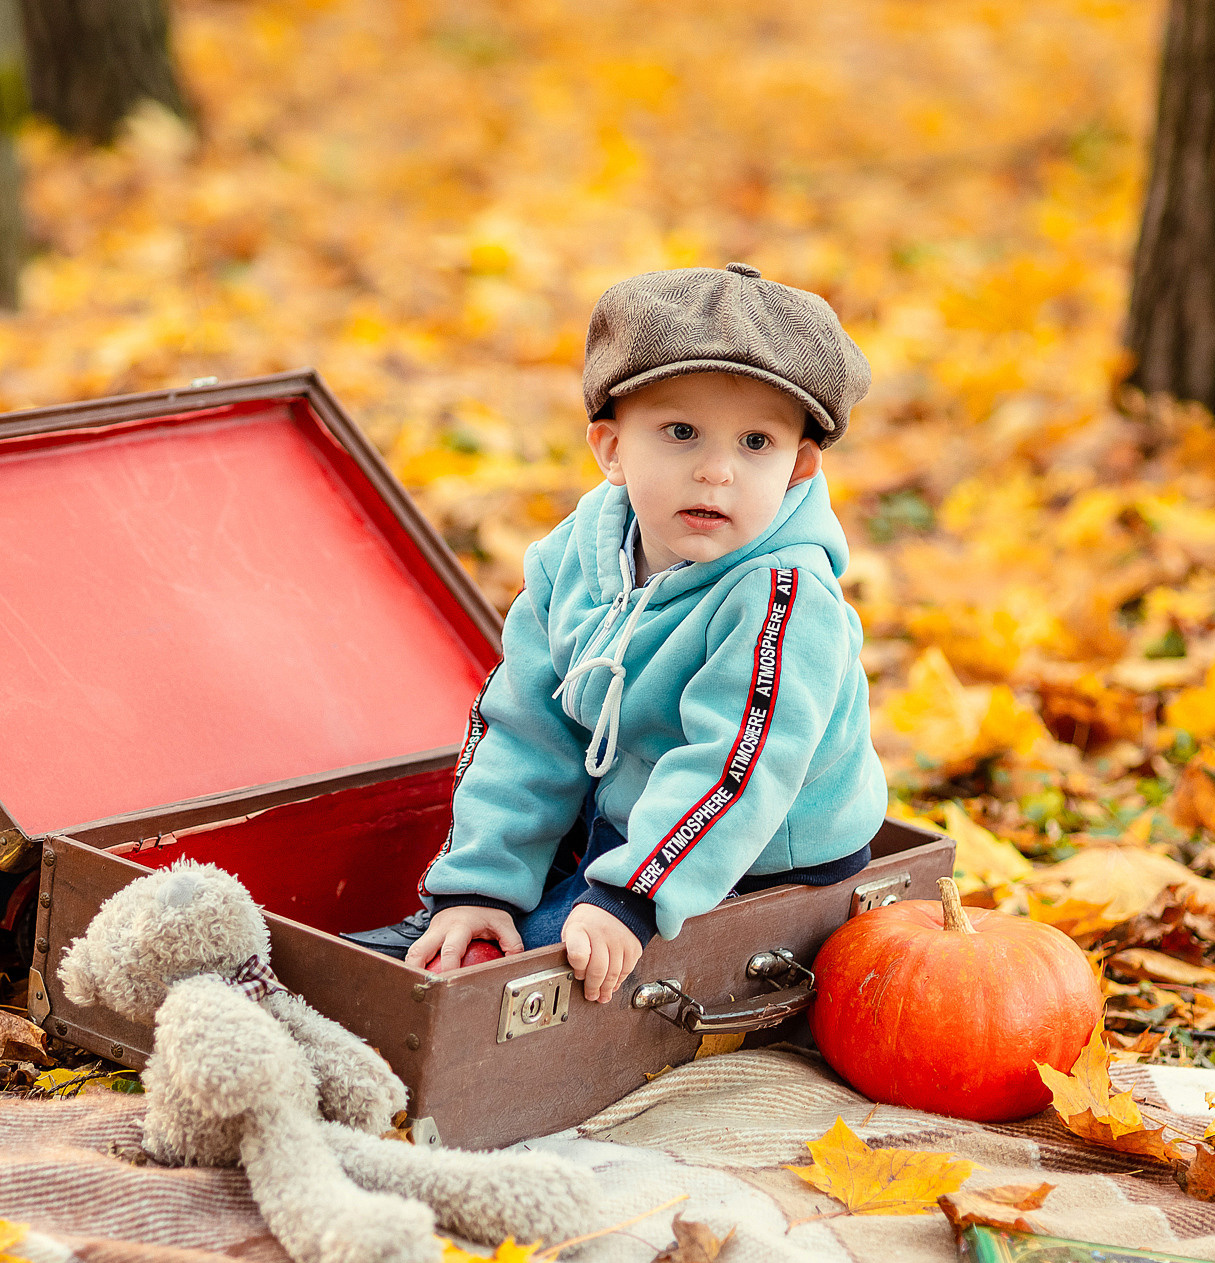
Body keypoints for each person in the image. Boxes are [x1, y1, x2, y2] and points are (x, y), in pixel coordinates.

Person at [343, 262, 888, 1002]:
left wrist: (629, 897)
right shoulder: (576, 554)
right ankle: (468, 930)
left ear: (797, 468)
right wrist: (482, 886)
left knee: (544, 962)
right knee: (485, 923)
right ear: (610, 448)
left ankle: (498, 959)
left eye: (755, 443)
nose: (717, 470)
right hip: (630, 805)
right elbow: (526, 724)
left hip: (756, 852)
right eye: (681, 431)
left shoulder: (784, 598)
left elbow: (736, 767)